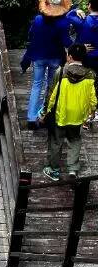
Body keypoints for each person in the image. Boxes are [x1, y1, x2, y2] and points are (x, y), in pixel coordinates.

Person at [20, 0, 77, 128]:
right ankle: (45, 115)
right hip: (55, 57)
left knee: (36, 85)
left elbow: (31, 35)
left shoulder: (38, 19)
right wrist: (78, 47)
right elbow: (66, 42)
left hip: (38, 56)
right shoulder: (63, 23)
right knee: (51, 86)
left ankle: (32, 118)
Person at [41, 43, 96, 182]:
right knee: (75, 140)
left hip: (61, 114)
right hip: (78, 117)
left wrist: (46, 112)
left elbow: (52, 95)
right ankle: (73, 169)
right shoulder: (90, 75)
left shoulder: (61, 72)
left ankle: (53, 170)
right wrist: (91, 113)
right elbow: (93, 98)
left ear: (69, 57)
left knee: (56, 142)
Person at [78, 0, 98, 70]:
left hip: (87, 56)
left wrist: (77, 10)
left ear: (89, 5)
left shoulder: (82, 21)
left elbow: (69, 16)